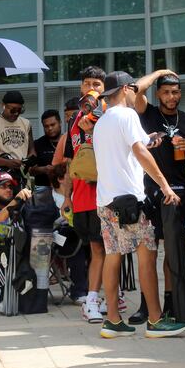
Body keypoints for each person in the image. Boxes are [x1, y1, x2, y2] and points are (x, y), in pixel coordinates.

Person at [92, 71, 185, 338]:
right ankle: (156, 321)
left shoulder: (102, 122)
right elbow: (139, 152)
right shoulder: (127, 115)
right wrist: (165, 186)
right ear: (125, 89)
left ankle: (112, 320)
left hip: (106, 201)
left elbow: (136, 145)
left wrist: (151, 139)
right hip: (132, 202)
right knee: (147, 255)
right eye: (133, 88)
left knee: (113, 257)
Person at [133, 71, 185, 324]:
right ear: (158, 93)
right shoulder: (148, 113)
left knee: (174, 252)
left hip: (179, 193)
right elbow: (135, 91)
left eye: (175, 92)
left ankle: (173, 303)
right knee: (148, 251)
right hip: (150, 191)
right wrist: (160, 73)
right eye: (166, 92)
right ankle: (146, 305)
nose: (171, 97)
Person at [53, 66, 114, 322]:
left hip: (108, 192)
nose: (92, 88)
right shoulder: (75, 118)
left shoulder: (110, 114)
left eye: (97, 85)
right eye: (88, 83)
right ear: (81, 87)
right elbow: (70, 161)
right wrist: (67, 196)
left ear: (104, 89)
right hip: (83, 194)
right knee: (97, 248)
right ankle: (95, 298)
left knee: (106, 249)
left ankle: (99, 297)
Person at [0, 91, 35, 170]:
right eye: (13, 110)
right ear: (3, 106)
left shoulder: (26, 123)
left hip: (22, 174)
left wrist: (28, 161)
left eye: (19, 110)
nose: (16, 113)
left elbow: (31, 149)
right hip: (0, 174)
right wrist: (6, 162)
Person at [30, 109, 62, 187]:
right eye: (46, 126)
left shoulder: (68, 141)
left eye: (53, 124)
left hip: (65, 188)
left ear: (60, 123)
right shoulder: (37, 144)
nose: (50, 128)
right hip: (43, 189)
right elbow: (30, 170)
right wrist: (44, 169)